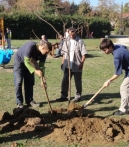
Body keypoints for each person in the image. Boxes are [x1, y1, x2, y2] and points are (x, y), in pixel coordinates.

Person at [14, 40, 52, 108]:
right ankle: (19, 102)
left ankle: (29, 100)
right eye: (46, 52)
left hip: (31, 63)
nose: (46, 54)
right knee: (18, 82)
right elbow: (26, 62)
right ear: (43, 48)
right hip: (20, 62)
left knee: (30, 82)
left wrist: (42, 79)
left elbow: (42, 66)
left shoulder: (43, 54)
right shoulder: (31, 46)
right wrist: (36, 71)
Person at [56, 27, 87, 102]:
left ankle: (78, 96)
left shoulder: (80, 41)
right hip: (67, 65)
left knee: (78, 81)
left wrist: (82, 63)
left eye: (73, 33)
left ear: (75, 32)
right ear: (68, 33)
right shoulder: (66, 41)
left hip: (77, 65)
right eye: (70, 33)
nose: (72, 34)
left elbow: (84, 54)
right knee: (65, 80)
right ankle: (64, 96)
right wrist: (62, 62)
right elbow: (63, 53)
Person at [100, 38, 129, 115]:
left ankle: (123, 109)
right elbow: (124, 47)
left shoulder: (117, 56)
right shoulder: (117, 46)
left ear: (110, 47)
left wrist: (109, 80)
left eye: (105, 50)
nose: (104, 52)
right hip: (128, 70)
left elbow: (118, 73)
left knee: (124, 88)